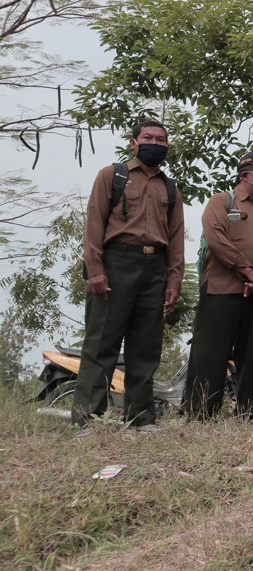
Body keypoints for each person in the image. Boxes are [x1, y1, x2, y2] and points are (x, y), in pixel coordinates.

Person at [72, 120, 185, 432]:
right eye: (148, 137)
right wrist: (95, 270)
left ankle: (140, 418)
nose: (155, 143)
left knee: (146, 348)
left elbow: (176, 240)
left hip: (155, 267)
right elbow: (94, 224)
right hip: (116, 263)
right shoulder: (113, 175)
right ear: (134, 143)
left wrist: (173, 281)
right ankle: (87, 421)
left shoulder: (170, 188)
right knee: (101, 345)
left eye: (161, 139)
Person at [183, 151, 253, 420]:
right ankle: (200, 415)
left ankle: (249, 414)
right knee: (210, 354)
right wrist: (248, 272)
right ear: (245, 175)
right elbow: (216, 239)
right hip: (221, 290)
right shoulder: (221, 202)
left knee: (251, 356)